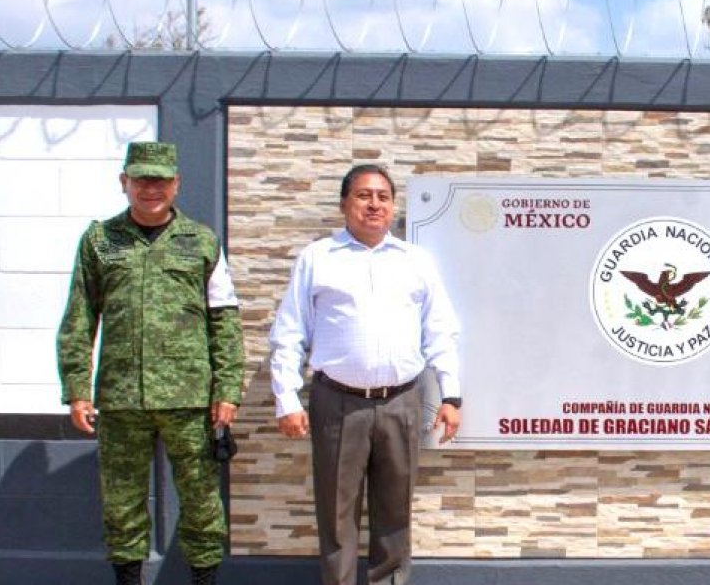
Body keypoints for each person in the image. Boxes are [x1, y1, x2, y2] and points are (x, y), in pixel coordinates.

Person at [56, 141, 246, 585]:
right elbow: (79, 317)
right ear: (124, 182)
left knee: (201, 500)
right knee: (122, 502)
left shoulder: (202, 241)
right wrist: (77, 389)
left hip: (190, 398)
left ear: (176, 184)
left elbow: (224, 320)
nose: (150, 189)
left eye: (160, 180)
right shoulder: (100, 241)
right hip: (121, 397)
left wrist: (227, 390)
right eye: (141, 179)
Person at [268, 163, 463, 585]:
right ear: (344, 204)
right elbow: (290, 332)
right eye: (363, 195)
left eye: (383, 197)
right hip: (337, 403)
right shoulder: (318, 257)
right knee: (336, 512)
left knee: (395, 512)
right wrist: (286, 399)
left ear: (393, 206)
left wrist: (451, 395)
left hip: (401, 402)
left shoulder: (415, 261)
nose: (374, 204)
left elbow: (440, 331)